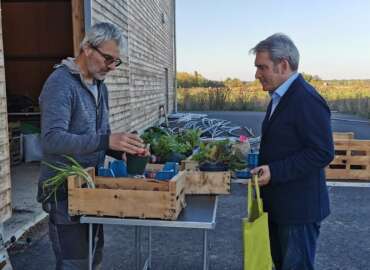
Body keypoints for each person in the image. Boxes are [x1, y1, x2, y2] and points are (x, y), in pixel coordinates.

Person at [37, 22, 146, 269]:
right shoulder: (60, 84)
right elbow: (52, 139)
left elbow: (100, 136)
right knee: (74, 264)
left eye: (116, 61)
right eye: (108, 58)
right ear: (87, 48)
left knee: (93, 257)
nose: (111, 67)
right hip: (63, 191)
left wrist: (123, 149)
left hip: (90, 188)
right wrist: (105, 140)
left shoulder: (100, 86)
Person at [249, 33, 334, 270]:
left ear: (283, 65)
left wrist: (274, 171)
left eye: (262, 67)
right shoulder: (279, 96)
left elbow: (322, 152)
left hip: (298, 212)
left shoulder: (306, 99)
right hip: (280, 206)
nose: (256, 74)